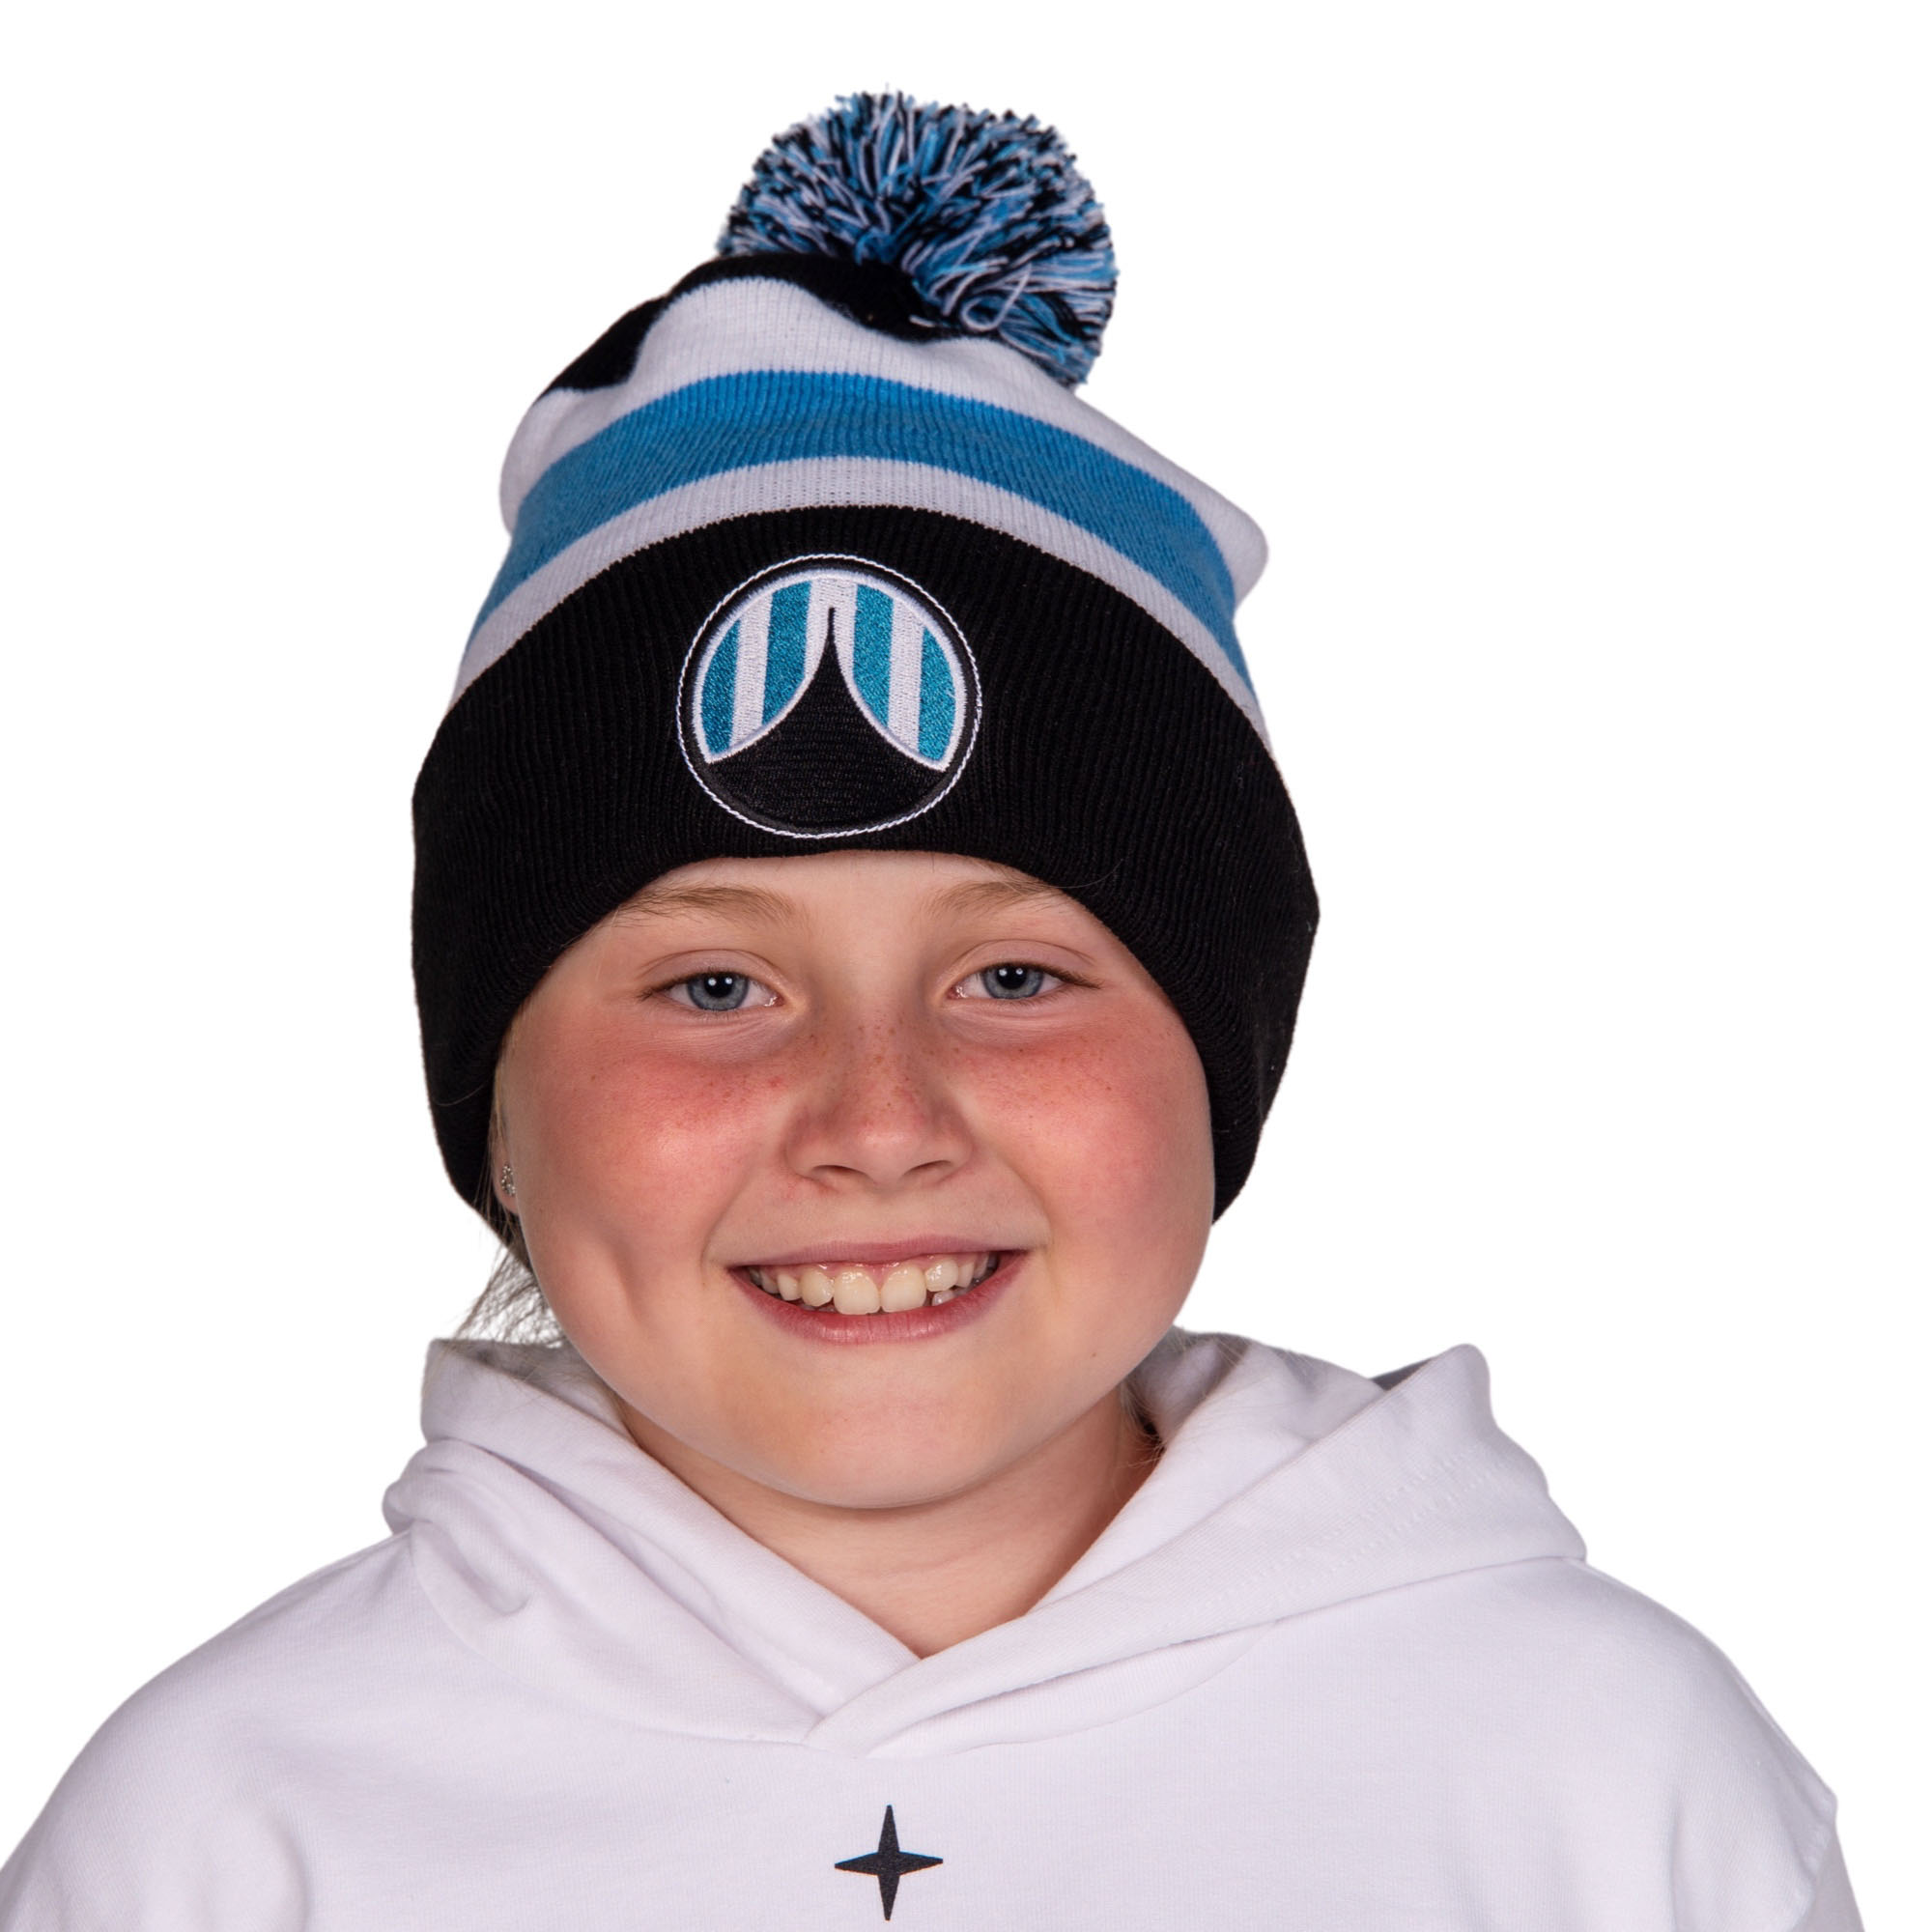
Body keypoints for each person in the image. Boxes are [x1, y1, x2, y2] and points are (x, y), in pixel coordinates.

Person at [0, 93, 1861, 1930]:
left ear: (1222, 1059)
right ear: (500, 1106)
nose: (878, 1121)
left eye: (1013, 979)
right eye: (715, 987)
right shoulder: (220, 1841)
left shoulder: (1601, 1780)